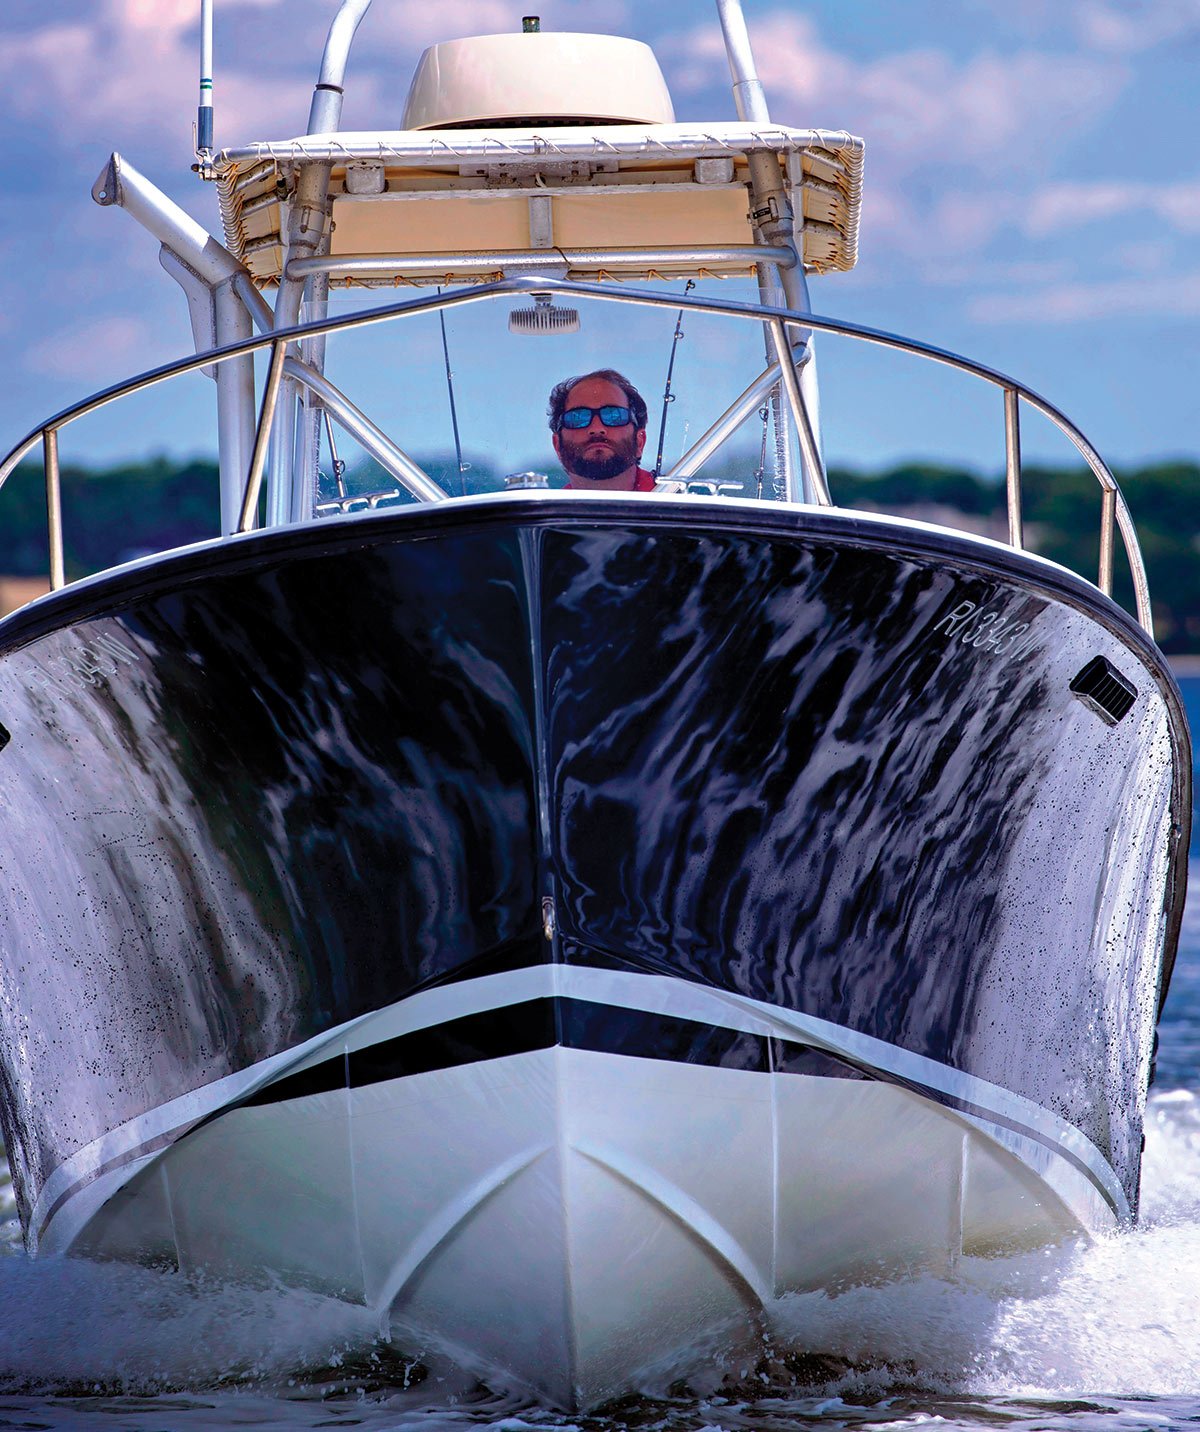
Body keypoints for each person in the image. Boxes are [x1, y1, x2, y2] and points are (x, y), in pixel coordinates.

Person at [547, 370, 656, 491]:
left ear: (640, 442)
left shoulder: (676, 500)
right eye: (578, 418)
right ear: (557, 445)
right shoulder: (541, 508)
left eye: (614, 416)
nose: (596, 429)